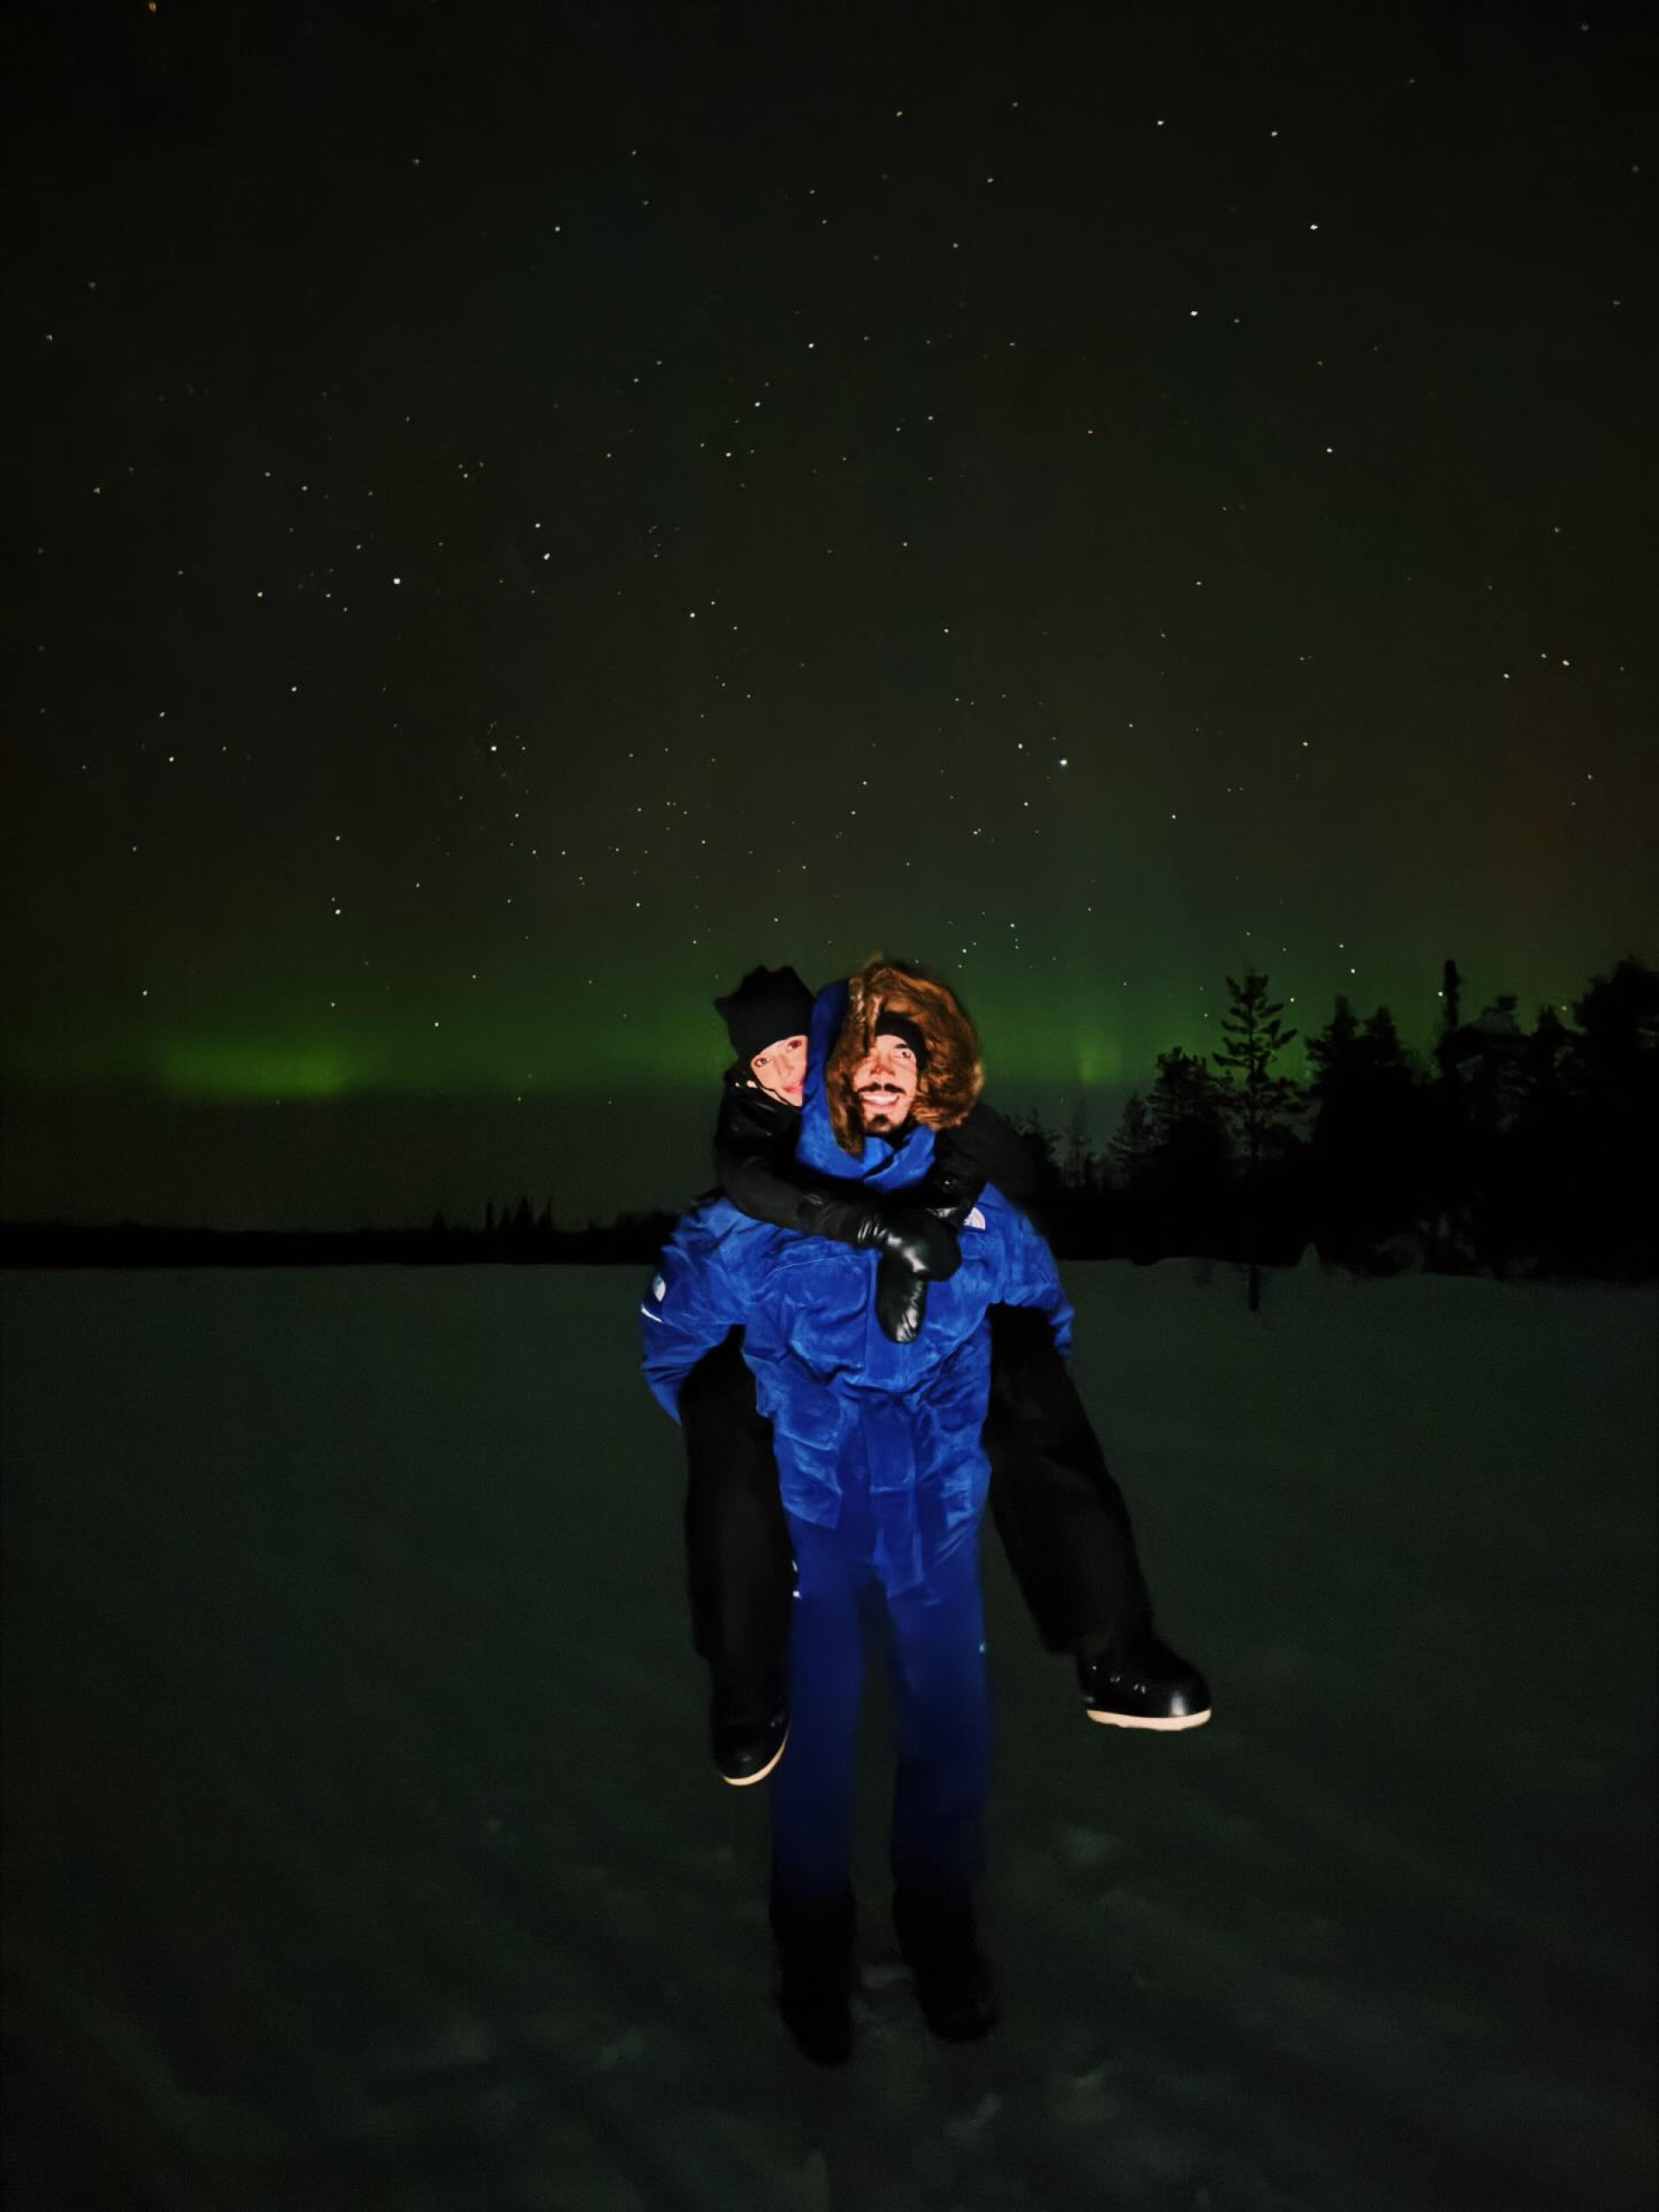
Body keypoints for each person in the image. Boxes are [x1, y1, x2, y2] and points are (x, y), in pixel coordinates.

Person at [642, 959, 1204, 2063]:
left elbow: (1044, 1318)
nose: (888, 1072)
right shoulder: (746, 1227)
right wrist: (750, 1435)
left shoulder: (984, 1216)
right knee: (819, 1741)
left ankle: (940, 1932)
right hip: (816, 1517)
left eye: (911, 1055)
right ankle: (812, 1948)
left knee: (952, 1732)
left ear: (934, 1075)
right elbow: (673, 1347)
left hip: (936, 1518)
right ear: (833, 1076)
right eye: (870, 1055)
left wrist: (973, 1417)